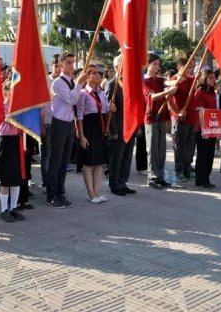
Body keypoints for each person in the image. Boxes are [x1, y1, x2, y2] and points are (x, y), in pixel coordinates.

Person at [46, 53, 87, 208]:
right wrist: (79, 84)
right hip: (59, 124)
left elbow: (76, 104)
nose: (71, 65)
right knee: (55, 161)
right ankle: (51, 195)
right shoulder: (57, 83)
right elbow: (72, 99)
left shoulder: (71, 81)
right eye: (68, 63)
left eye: (72, 62)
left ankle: (60, 193)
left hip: (69, 124)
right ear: (61, 65)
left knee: (64, 163)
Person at [76, 65, 111, 203]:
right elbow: (79, 116)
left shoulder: (102, 93)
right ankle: (90, 193)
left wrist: (110, 108)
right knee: (89, 163)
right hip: (89, 128)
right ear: (88, 76)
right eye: (94, 73)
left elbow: (106, 110)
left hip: (100, 127)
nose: (98, 76)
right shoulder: (83, 94)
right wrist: (82, 135)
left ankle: (97, 192)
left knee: (99, 163)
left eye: (99, 73)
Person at [143, 53, 177, 189]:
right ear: (148, 65)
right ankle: (152, 177)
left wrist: (175, 81)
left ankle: (160, 176)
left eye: (158, 64)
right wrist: (167, 92)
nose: (157, 66)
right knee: (152, 149)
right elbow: (153, 97)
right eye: (155, 64)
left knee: (161, 149)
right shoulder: (145, 80)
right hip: (151, 117)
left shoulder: (159, 79)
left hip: (162, 117)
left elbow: (168, 82)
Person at [107, 55, 138, 196]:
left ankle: (123, 182)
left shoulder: (129, 84)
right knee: (117, 158)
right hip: (118, 128)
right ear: (116, 67)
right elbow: (109, 110)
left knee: (127, 157)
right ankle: (114, 184)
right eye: (123, 65)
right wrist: (113, 129)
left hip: (129, 127)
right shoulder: (111, 84)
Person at [0, 81, 27, 222]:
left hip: (17, 141)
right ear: (5, 92)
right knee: (6, 179)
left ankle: (13, 208)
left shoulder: (19, 108)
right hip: (6, 142)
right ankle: (4, 210)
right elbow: (7, 120)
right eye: (11, 90)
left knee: (16, 178)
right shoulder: (1, 107)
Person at [169, 58, 197, 182]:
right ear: (179, 67)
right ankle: (178, 170)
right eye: (187, 67)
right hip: (180, 118)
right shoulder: (174, 80)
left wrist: (199, 76)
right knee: (180, 145)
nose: (189, 69)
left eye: (190, 67)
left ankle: (187, 168)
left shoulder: (192, 80)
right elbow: (168, 100)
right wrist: (178, 112)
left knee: (190, 145)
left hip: (192, 118)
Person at [194, 69, 218, 189]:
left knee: (210, 155)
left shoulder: (213, 93)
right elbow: (200, 113)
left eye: (214, 78)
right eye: (210, 78)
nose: (213, 80)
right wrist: (203, 129)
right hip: (202, 129)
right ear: (204, 79)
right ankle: (201, 179)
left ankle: (205, 178)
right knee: (203, 154)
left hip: (212, 129)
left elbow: (215, 112)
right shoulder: (199, 93)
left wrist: (218, 130)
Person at [41, 54, 59, 193]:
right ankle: (46, 183)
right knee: (46, 156)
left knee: (56, 156)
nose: (58, 68)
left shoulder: (64, 81)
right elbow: (40, 104)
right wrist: (41, 124)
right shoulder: (46, 81)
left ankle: (55, 182)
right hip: (47, 122)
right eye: (56, 65)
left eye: (60, 65)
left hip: (60, 123)